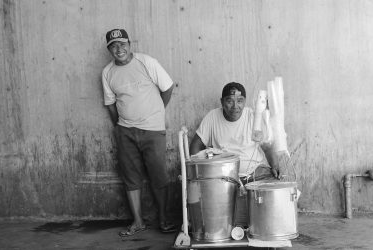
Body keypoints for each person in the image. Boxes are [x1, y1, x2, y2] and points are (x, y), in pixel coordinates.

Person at [102, 28, 176, 236]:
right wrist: (120, 126)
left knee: (158, 175)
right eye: (114, 46)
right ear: (109, 49)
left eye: (122, 44)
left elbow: (168, 87)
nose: (119, 49)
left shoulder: (146, 62)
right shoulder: (108, 72)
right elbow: (110, 103)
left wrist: (157, 112)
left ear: (130, 44)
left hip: (152, 130)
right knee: (130, 177)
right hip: (125, 131)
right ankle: (137, 222)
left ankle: (163, 219)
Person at [189, 82, 280, 227]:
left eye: (240, 101)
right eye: (229, 101)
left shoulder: (253, 117)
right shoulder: (212, 117)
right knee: (228, 220)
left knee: (271, 203)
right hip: (225, 178)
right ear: (222, 102)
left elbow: (267, 147)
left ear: (245, 101)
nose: (235, 106)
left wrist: (275, 165)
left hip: (255, 172)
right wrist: (198, 172)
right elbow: (195, 145)